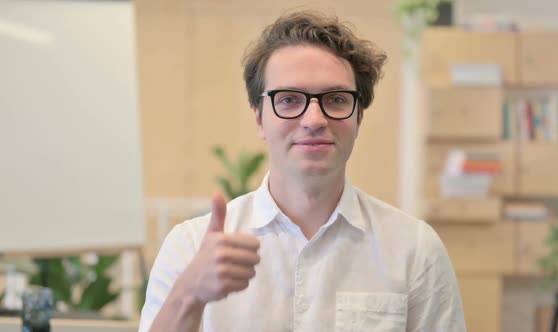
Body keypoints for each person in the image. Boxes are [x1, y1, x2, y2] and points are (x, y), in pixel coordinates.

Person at [139, 10, 466, 332]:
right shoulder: (190, 246)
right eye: (289, 99)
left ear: (359, 119)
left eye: (336, 99)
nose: (314, 120)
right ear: (259, 119)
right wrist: (189, 295)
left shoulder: (415, 250)